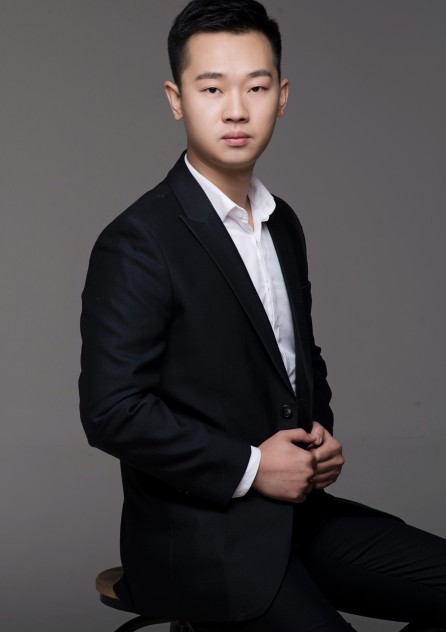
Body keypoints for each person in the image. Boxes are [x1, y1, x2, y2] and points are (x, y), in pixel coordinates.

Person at [79, 1, 446, 630]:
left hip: (298, 517)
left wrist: (317, 437)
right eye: (211, 88)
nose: (235, 109)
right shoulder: (140, 240)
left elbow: (298, 357)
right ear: (176, 100)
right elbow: (112, 411)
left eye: (256, 86)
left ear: (282, 96)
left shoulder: (282, 224)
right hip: (198, 536)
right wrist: (252, 468)